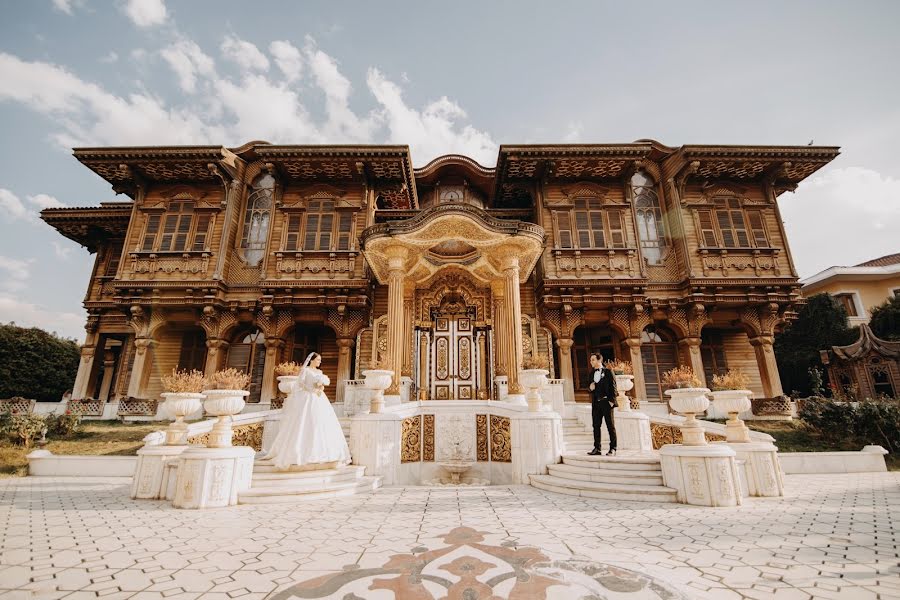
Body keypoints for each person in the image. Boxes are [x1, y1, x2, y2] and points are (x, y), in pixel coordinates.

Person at [263, 352, 351, 470]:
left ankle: (322, 453)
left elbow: (322, 384)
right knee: (305, 422)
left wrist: (320, 387)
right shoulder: (306, 371)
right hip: (308, 398)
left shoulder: (319, 372)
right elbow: (300, 384)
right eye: (318, 360)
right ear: (312, 360)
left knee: (320, 424)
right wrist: (312, 389)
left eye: (320, 360)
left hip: (319, 398)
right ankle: (299, 454)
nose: (319, 362)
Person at [587, 354, 617, 456]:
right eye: (591, 360)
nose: (591, 362)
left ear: (599, 360)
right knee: (596, 426)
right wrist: (590, 388)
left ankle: (613, 448)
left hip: (606, 402)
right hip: (596, 403)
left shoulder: (608, 372)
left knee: (610, 426)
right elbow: (590, 388)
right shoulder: (591, 374)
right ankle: (597, 448)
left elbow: (614, 387)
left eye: (593, 360)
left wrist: (611, 401)